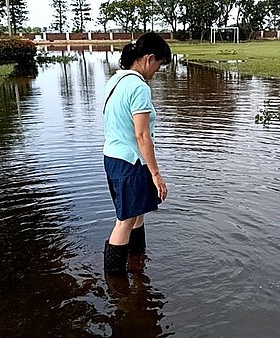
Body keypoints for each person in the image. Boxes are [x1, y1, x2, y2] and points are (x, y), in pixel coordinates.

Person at [102, 32, 171, 273]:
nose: (158, 71)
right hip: (130, 161)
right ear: (149, 58)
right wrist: (156, 174)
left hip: (112, 158)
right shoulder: (139, 87)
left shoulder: (116, 80)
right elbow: (142, 136)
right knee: (125, 220)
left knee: (137, 213)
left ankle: (137, 261)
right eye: (160, 65)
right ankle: (116, 285)